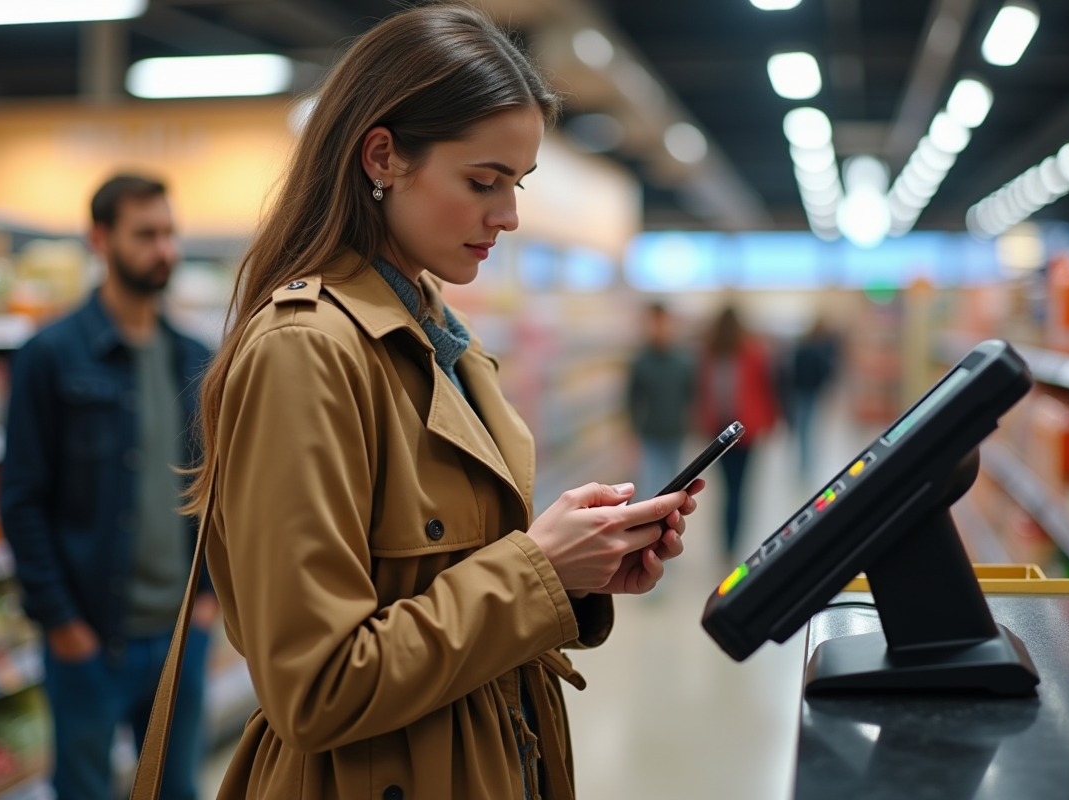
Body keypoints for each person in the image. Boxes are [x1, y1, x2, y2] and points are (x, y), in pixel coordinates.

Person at [177, 7, 702, 800]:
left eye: (516, 185)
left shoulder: (443, 341)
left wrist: (577, 572)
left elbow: (442, 586)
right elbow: (316, 688)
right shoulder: (307, 351)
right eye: (483, 182)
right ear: (383, 156)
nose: (509, 216)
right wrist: (537, 570)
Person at [0, 174, 216, 800]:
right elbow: (21, 499)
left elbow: (213, 489)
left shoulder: (195, 358)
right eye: (145, 234)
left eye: (169, 233)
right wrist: (63, 624)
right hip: (90, 642)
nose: (164, 250)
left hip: (180, 641)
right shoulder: (52, 356)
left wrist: (206, 601)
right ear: (101, 240)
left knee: (177, 791)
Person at [696, 306, 779, 559]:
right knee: (739, 490)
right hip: (746, 430)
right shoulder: (752, 352)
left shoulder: (709, 354)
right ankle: (732, 543)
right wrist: (770, 420)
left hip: (718, 431)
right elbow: (768, 388)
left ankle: (727, 543)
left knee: (726, 490)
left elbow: (701, 392)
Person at [627, 302, 696, 498]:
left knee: (676, 487)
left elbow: (691, 395)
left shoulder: (683, 361)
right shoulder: (641, 361)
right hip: (650, 435)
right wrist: (632, 433)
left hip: (676, 433)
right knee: (650, 488)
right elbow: (632, 399)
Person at [788, 318, 839, 482]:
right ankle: (806, 464)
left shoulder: (801, 349)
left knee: (804, 428)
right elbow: (823, 372)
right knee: (806, 428)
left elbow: (793, 372)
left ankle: (804, 464)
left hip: (801, 392)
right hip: (808, 392)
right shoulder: (816, 350)